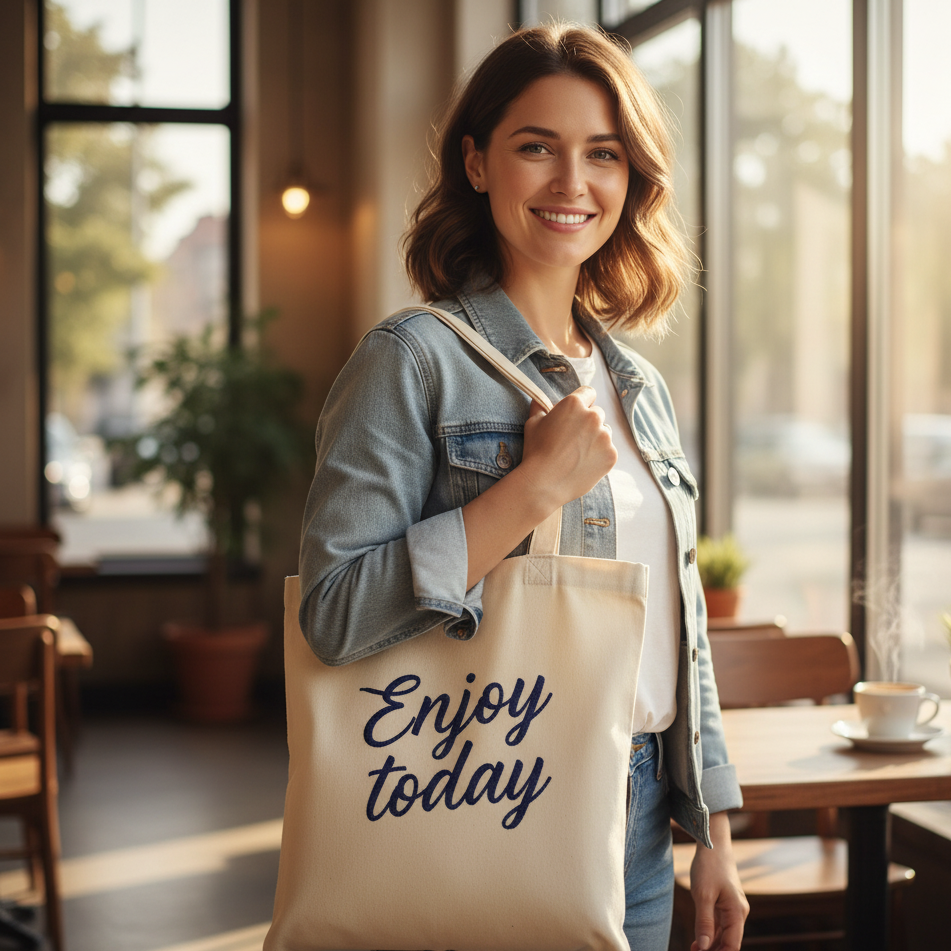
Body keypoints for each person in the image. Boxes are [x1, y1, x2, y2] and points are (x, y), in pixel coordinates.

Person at [298, 21, 748, 951]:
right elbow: (334, 613)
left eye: (602, 155)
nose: (570, 183)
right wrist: (529, 490)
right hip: (487, 794)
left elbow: (680, 625)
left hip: (640, 818)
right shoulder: (410, 361)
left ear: (631, 181)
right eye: (534, 147)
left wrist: (715, 832)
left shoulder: (641, 389)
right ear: (475, 162)